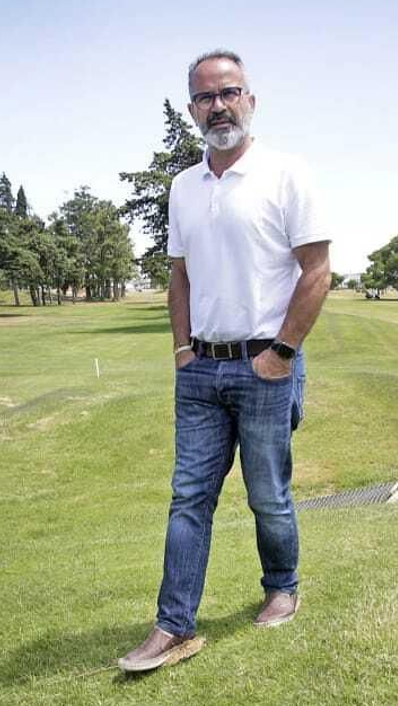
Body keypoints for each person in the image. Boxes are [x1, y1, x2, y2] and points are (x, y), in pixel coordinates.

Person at [119, 49, 332, 673]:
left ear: (250, 100)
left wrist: (283, 353)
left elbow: (317, 271)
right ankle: (173, 627)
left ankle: (282, 584)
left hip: (266, 362)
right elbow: (178, 278)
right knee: (189, 498)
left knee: (268, 495)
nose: (219, 106)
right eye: (206, 97)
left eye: (229, 92)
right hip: (201, 371)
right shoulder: (183, 188)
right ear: (192, 109)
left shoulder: (288, 173)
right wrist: (182, 349)